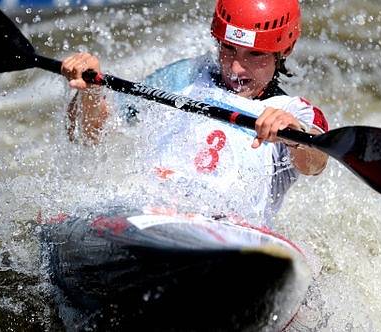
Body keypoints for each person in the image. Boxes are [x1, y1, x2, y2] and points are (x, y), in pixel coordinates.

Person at [60, 0, 329, 224]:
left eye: (255, 55)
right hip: (147, 213)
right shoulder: (184, 76)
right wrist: (91, 93)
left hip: (230, 232)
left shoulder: (295, 111)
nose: (236, 69)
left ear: (285, 50)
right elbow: (88, 136)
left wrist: (294, 136)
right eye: (228, 49)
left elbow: (316, 161)